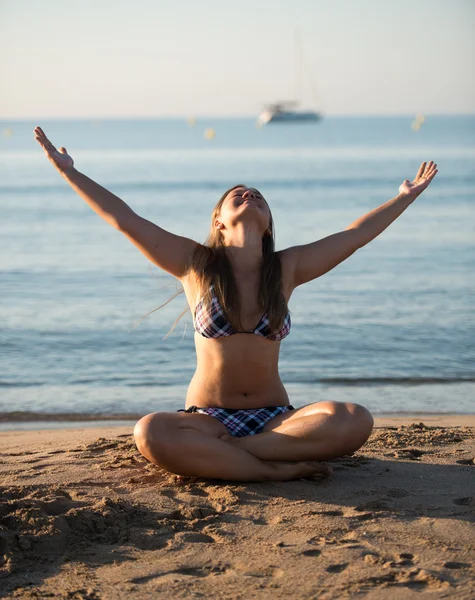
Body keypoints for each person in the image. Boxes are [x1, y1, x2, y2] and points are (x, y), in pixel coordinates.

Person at [34, 126, 438, 483]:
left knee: (353, 418)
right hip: (208, 420)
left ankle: (236, 458)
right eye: (237, 196)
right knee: (150, 432)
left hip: (277, 420)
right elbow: (125, 219)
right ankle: (270, 469)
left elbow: (355, 235)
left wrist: (403, 198)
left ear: (267, 224)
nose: (250, 195)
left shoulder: (287, 267)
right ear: (218, 222)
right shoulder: (195, 264)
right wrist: (70, 172)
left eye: (258, 196)